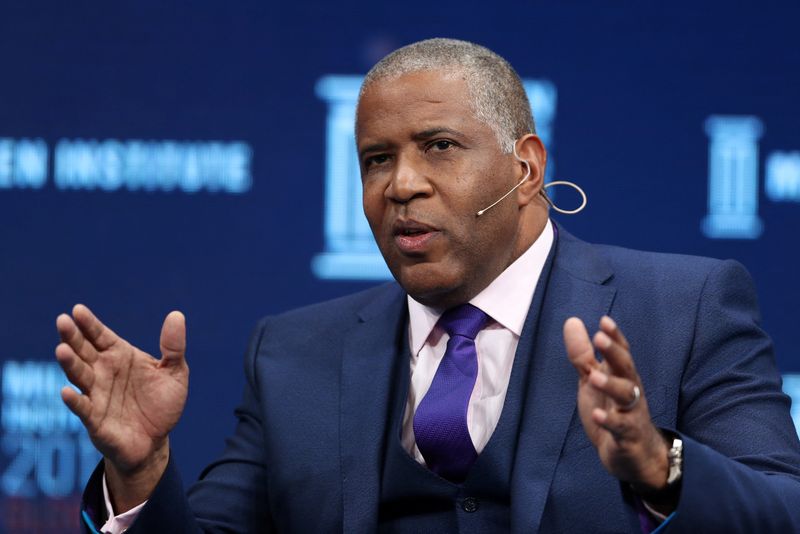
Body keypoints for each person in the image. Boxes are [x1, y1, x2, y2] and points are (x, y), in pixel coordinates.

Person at [55, 38, 800, 533]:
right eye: (377, 160)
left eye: (438, 147)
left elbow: (782, 512)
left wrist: (658, 463)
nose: (401, 185)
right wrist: (141, 469)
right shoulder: (293, 355)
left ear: (525, 167)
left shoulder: (685, 308)